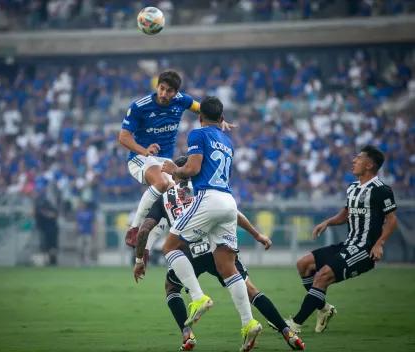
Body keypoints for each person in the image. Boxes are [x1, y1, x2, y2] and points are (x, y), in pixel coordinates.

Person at [133, 156, 305, 351]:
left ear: (174, 173)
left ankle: (187, 334)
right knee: (250, 289)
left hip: (188, 253)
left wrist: (139, 260)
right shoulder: (206, 188)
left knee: (172, 287)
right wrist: (257, 235)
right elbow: (233, 213)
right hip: (217, 247)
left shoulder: (164, 198)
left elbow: (144, 230)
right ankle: (287, 332)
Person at [159, 96, 260, 352]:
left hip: (209, 198)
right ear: (223, 119)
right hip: (229, 201)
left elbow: (192, 169)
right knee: (227, 266)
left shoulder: (197, 133)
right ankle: (248, 323)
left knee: (170, 246)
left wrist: (174, 170)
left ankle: (197, 296)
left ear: (200, 117)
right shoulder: (227, 141)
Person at [271, 145, 398, 334]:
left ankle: (294, 325)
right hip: (347, 244)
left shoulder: (381, 190)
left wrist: (379, 243)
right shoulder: (353, 187)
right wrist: (328, 223)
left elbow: (392, 220)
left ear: (370, 165)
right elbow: (347, 213)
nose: (354, 161)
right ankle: (324, 309)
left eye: (359, 157)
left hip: (364, 250)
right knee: (303, 264)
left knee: (322, 276)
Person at [119, 70, 235, 247]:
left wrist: (218, 122)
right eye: (161, 88)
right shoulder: (139, 106)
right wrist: (144, 151)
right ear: (157, 86)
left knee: (177, 197)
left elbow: (202, 110)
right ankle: (134, 228)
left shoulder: (182, 100)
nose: (164, 94)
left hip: (163, 160)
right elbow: (124, 137)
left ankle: (148, 247)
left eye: (169, 91)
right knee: (162, 183)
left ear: (176, 92)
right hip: (140, 157)